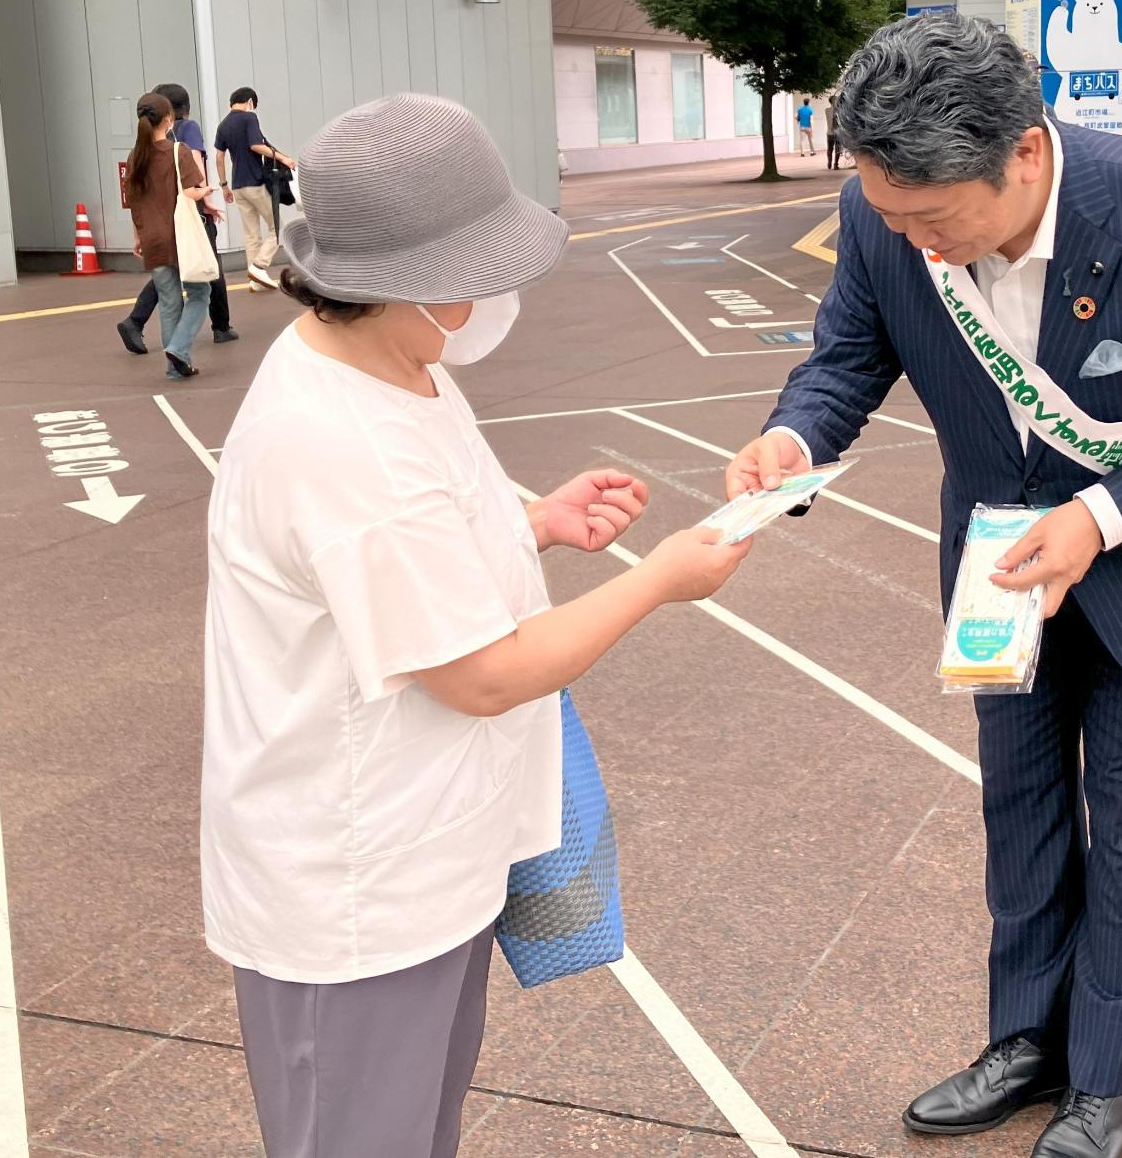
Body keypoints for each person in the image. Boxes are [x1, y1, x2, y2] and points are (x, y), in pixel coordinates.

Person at [725, 15, 1122, 1158]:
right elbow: (845, 357)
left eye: (935, 221)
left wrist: (1098, 518)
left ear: (1023, 154)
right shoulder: (880, 215)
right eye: (892, 219)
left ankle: (1109, 1080)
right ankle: (1024, 1043)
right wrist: (793, 439)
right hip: (994, 566)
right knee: (1018, 813)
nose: (915, 245)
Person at [200, 92, 754, 1158]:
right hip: (355, 892)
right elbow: (484, 674)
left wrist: (531, 522)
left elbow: (425, 538)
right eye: (470, 276)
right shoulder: (340, 442)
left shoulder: (391, 365)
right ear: (395, 282)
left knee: (414, 1129)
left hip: (424, 854)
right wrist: (656, 582)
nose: (488, 297)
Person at [118, 83, 236, 355]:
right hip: (181, 237)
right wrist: (208, 192)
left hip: (152, 239)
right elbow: (191, 190)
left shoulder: (134, 157)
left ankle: (175, 366)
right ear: (169, 118)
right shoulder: (177, 150)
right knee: (200, 295)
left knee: (170, 303)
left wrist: (138, 238)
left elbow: (133, 202)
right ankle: (178, 350)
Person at [216, 86, 291, 290]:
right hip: (256, 183)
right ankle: (259, 265)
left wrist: (224, 185)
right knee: (278, 228)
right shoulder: (249, 119)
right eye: (253, 105)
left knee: (251, 234)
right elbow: (256, 145)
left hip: (238, 186)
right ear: (249, 101)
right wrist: (283, 157)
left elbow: (219, 157)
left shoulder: (223, 125)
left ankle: (255, 281)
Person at [826, 97, 843, 170]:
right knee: (836, 149)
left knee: (831, 149)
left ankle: (831, 162)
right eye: (836, 100)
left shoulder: (827, 110)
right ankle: (834, 164)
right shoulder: (838, 111)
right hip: (835, 133)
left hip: (831, 133)